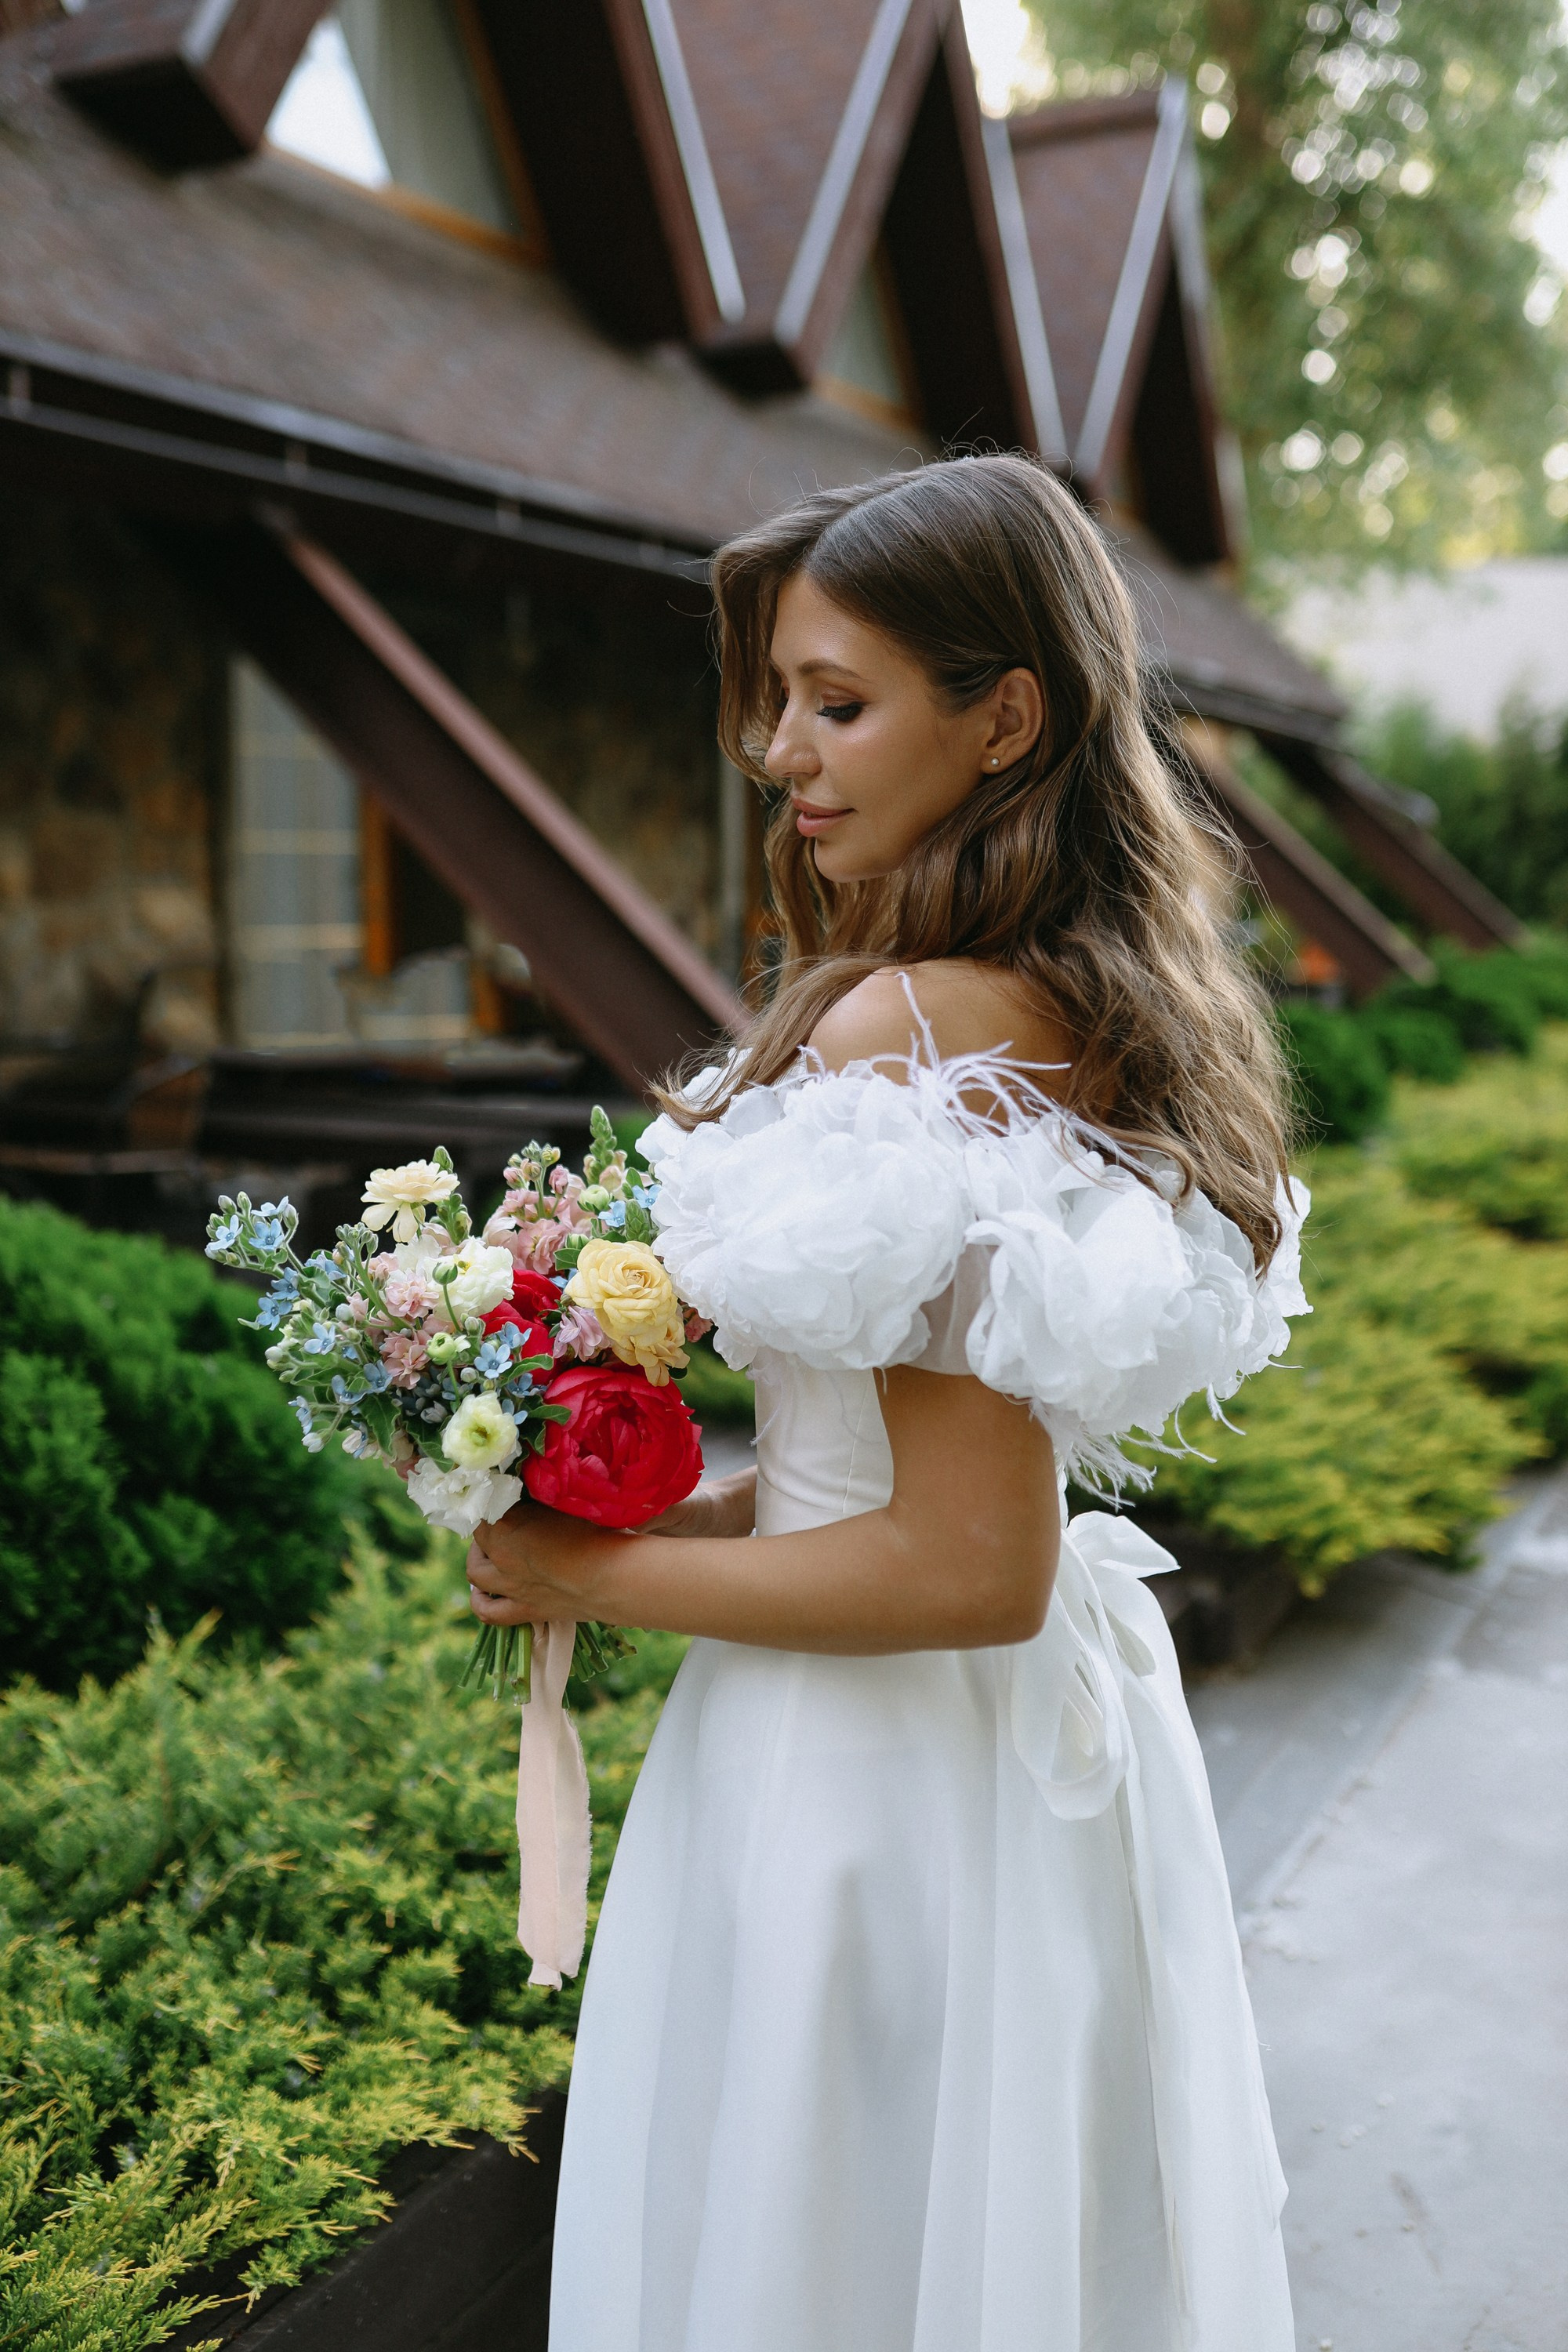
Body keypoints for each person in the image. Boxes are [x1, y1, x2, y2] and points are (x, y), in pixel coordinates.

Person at [466, 454, 1306, 2351]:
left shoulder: (909, 1027)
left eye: (836, 703)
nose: (779, 750)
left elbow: (964, 1565)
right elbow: (890, 1474)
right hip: (995, 1761)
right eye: (778, 698)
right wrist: (651, 1509)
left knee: (811, 2258)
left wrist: (592, 1579)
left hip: (862, 1782)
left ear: (1005, 717)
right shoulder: (1063, 996)